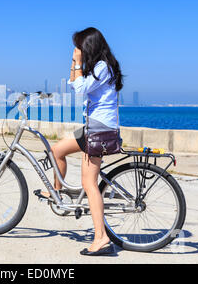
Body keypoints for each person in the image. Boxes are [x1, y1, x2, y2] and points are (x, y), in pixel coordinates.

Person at [40, 27, 123, 256]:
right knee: (57, 151)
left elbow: (79, 89)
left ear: (89, 47)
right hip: (93, 127)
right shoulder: (99, 67)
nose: (77, 51)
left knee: (89, 184)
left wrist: (76, 62)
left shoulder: (102, 67)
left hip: (99, 130)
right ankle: (57, 192)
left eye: (79, 47)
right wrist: (74, 63)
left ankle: (101, 238)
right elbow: (76, 84)